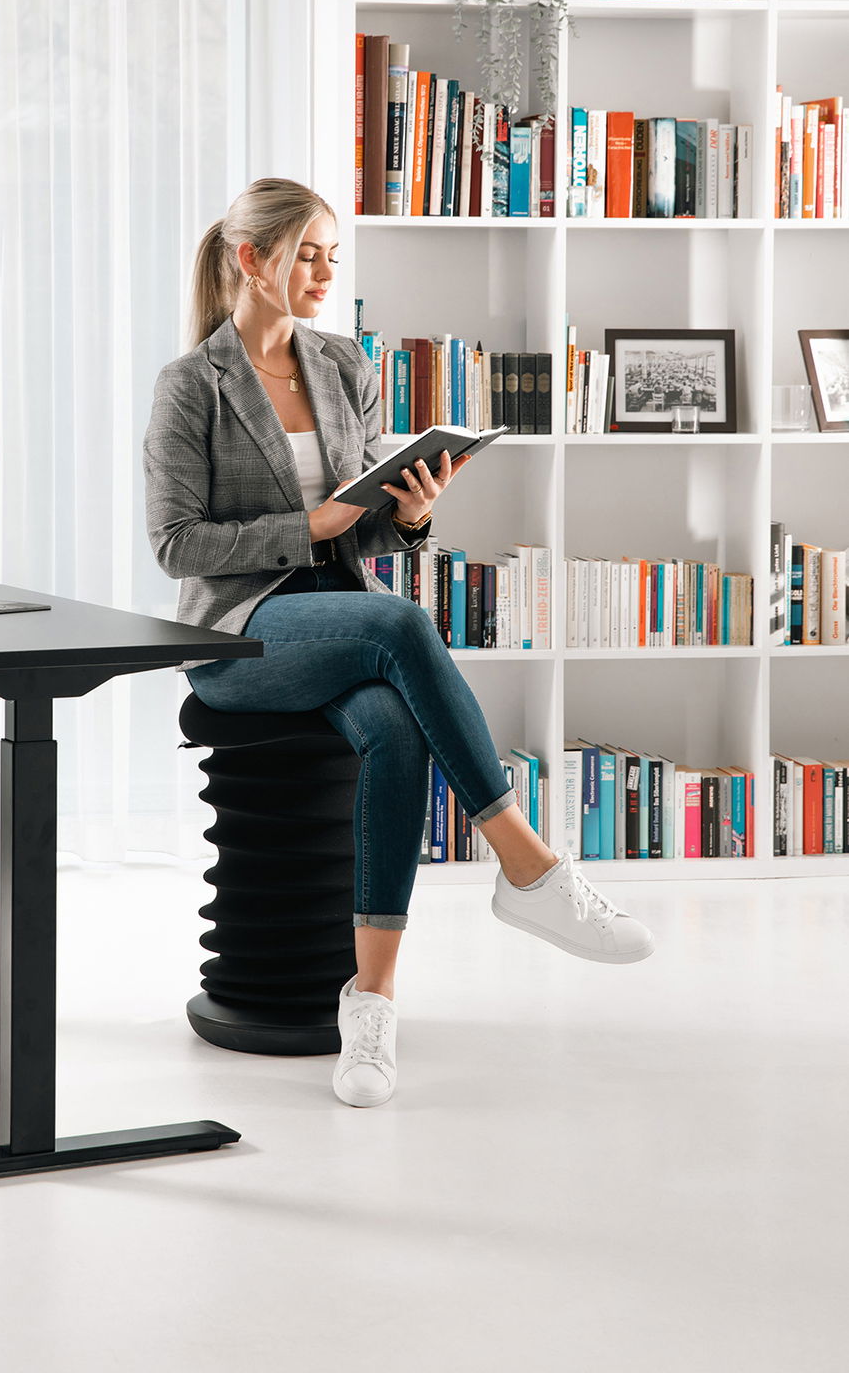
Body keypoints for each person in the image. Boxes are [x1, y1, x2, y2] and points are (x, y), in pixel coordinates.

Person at [143, 177, 654, 1110]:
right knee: (403, 622)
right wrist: (311, 524)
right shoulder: (193, 385)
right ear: (251, 260)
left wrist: (407, 518)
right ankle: (527, 866)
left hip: (336, 617)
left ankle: (370, 1001)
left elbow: (360, 528)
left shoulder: (342, 365)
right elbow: (176, 543)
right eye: (307, 254)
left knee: (393, 721)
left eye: (333, 255)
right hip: (237, 631)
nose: (325, 272)